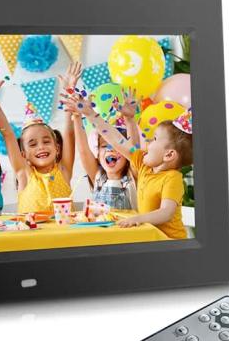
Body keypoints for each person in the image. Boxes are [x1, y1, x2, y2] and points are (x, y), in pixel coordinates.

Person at [63, 93, 192, 239]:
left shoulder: (172, 178)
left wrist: (138, 218)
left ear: (168, 155)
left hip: (170, 242)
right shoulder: (143, 166)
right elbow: (116, 139)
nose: (148, 142)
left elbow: (166, 213)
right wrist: (90, 113)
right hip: (148, 238)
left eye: (154, 139)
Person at [0, 64, 80, 213]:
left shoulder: (63, 170)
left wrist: (70, 92)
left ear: (57, 148)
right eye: (33, 144)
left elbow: (69, 133)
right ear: (23, 154)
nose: (41, 147)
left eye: (46, 141)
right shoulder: (24, 174)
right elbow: (8, 135)